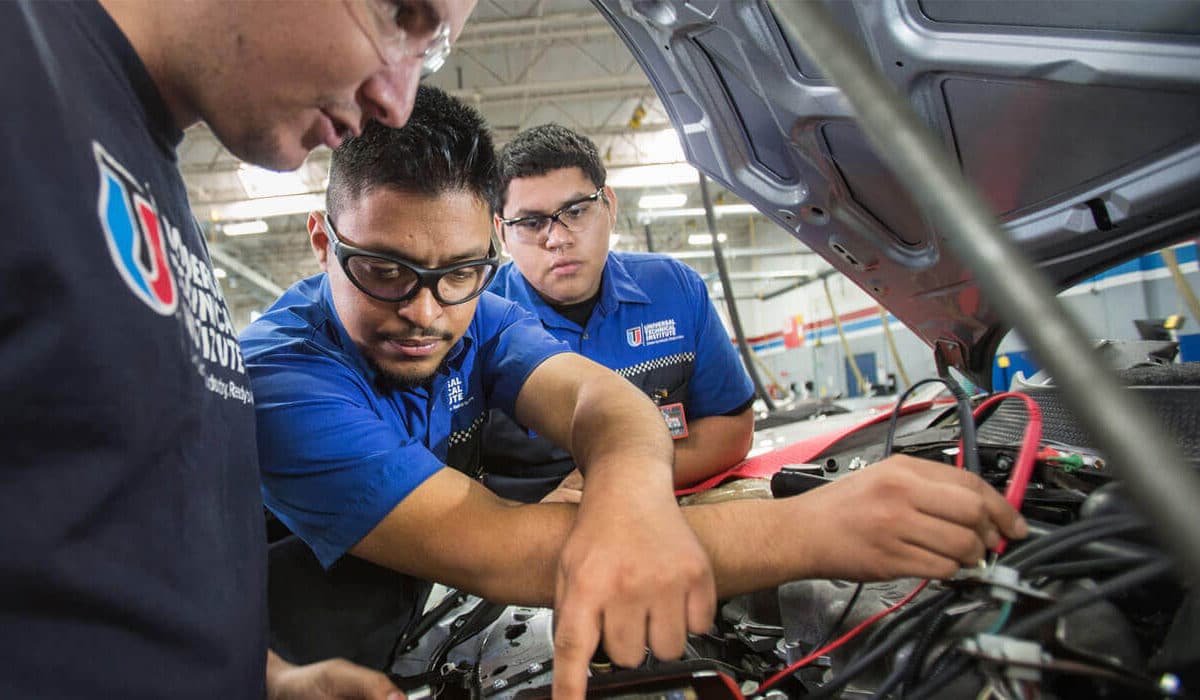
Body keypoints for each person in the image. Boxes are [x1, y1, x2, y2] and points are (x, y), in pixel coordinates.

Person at [241, 86, 1028, 699]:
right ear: (323, 243)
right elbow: (502, 553)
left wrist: (626, 498)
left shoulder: (482, 313)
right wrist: (812, 530)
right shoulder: (282, 381)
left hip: (430, 612)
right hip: (322, 661)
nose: (424, 311)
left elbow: (605, 404)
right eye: (384, 271)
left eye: (459, 272)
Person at [1, 1, 474, 697]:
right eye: (398, 12)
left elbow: (99, 550)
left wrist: (271, 680)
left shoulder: (137, 155)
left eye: (428, 51)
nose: (396, 102)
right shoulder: (21, 74)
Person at [481, 124, 756, 503]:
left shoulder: (674, 289)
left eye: (576, 211)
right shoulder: (474, 324)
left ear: (609, 206)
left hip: (660, 499)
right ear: (502, 233)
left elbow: (732, 428)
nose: (558, 238)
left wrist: (618, 477)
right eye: (531, 222)